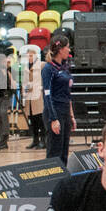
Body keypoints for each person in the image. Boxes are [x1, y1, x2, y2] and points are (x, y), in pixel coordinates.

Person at [42, 36, 74, 165]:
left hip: (65, 111)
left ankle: (63, 181)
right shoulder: (48, 69)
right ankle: (52, 182)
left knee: (64, 151)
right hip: (54, 111)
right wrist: (53, 118)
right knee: (55, 151)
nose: (69, 49)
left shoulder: (65, 67)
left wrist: (71, 115)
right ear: (60, 49)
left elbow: (67, 93)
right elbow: (47, 95)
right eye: (67, 47)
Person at [21, 45, 45, 149]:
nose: (29, 58)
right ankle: (35, 140)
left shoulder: (43, 65)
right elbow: (24, 81)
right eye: (28, 56)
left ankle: (43, 140)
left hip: (38, 96)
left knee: (40, 120)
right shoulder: (25, 67)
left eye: (31, 55)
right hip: (29, 97)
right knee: (32, 120)